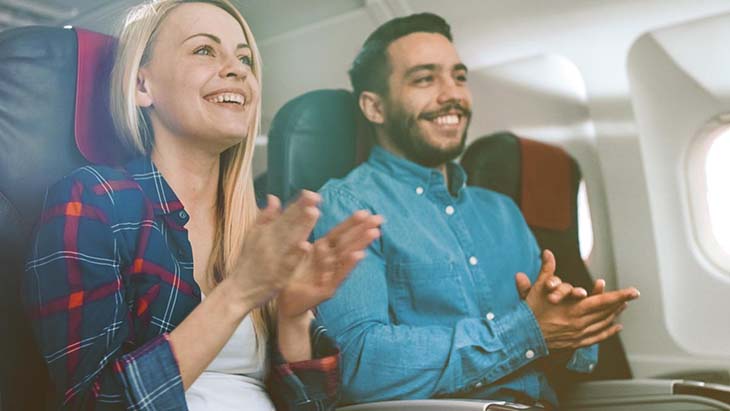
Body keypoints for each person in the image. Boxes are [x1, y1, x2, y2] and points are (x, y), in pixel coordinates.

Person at [22, 1, 381, 410]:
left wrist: (294, 315)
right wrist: (239, 293)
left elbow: (313, 404)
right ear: (143, 86)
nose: (237, 69)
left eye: (244, 58)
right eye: (204, 50)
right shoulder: (95, 202)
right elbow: (96, 404)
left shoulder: (263, 223)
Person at [312, 12, 639, 408]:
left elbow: (554, 351)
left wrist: (574, 331)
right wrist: (527, 333)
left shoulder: (502, 212)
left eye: (459, 76)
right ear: (374, 107)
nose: (453, 94)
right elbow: (361, 364)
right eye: (425, 79)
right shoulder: (348, 205)